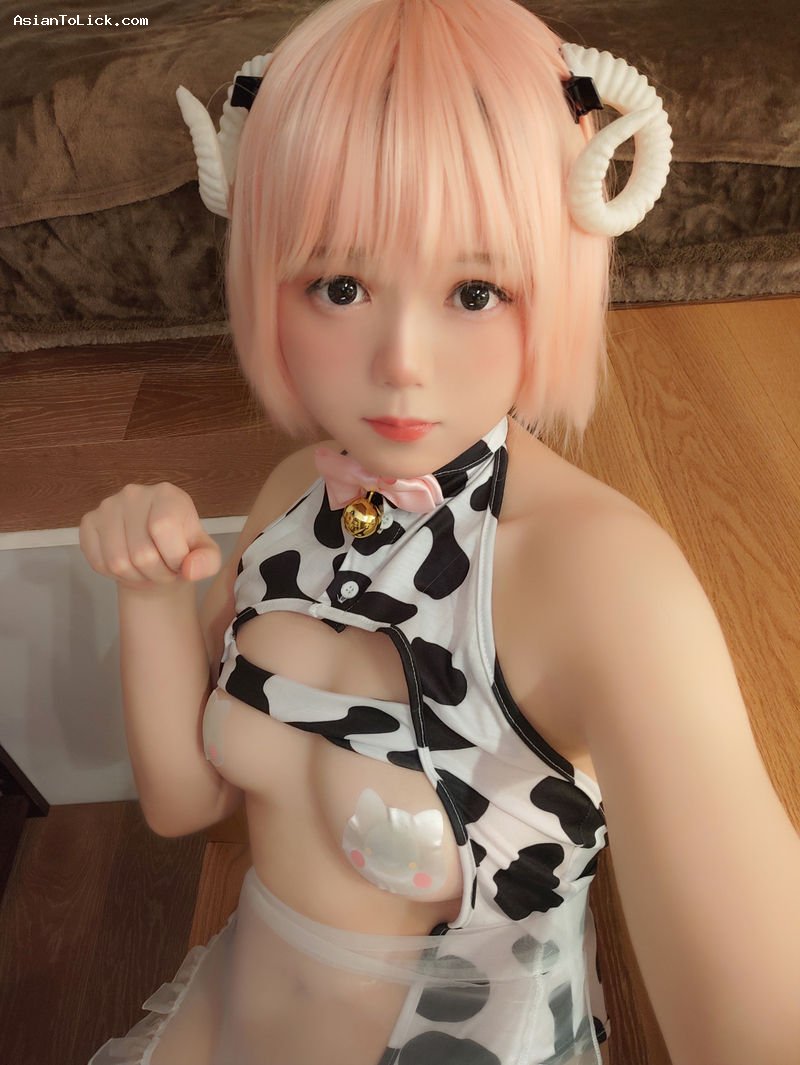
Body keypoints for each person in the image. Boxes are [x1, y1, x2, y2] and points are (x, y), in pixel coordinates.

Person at [79, 2, 800, 1064]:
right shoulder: (297, 493)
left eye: (474, 289)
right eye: (339, 285)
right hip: (228, 1020)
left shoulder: (600, 579)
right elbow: (186, 803)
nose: (401, 363)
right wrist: (147, 594)